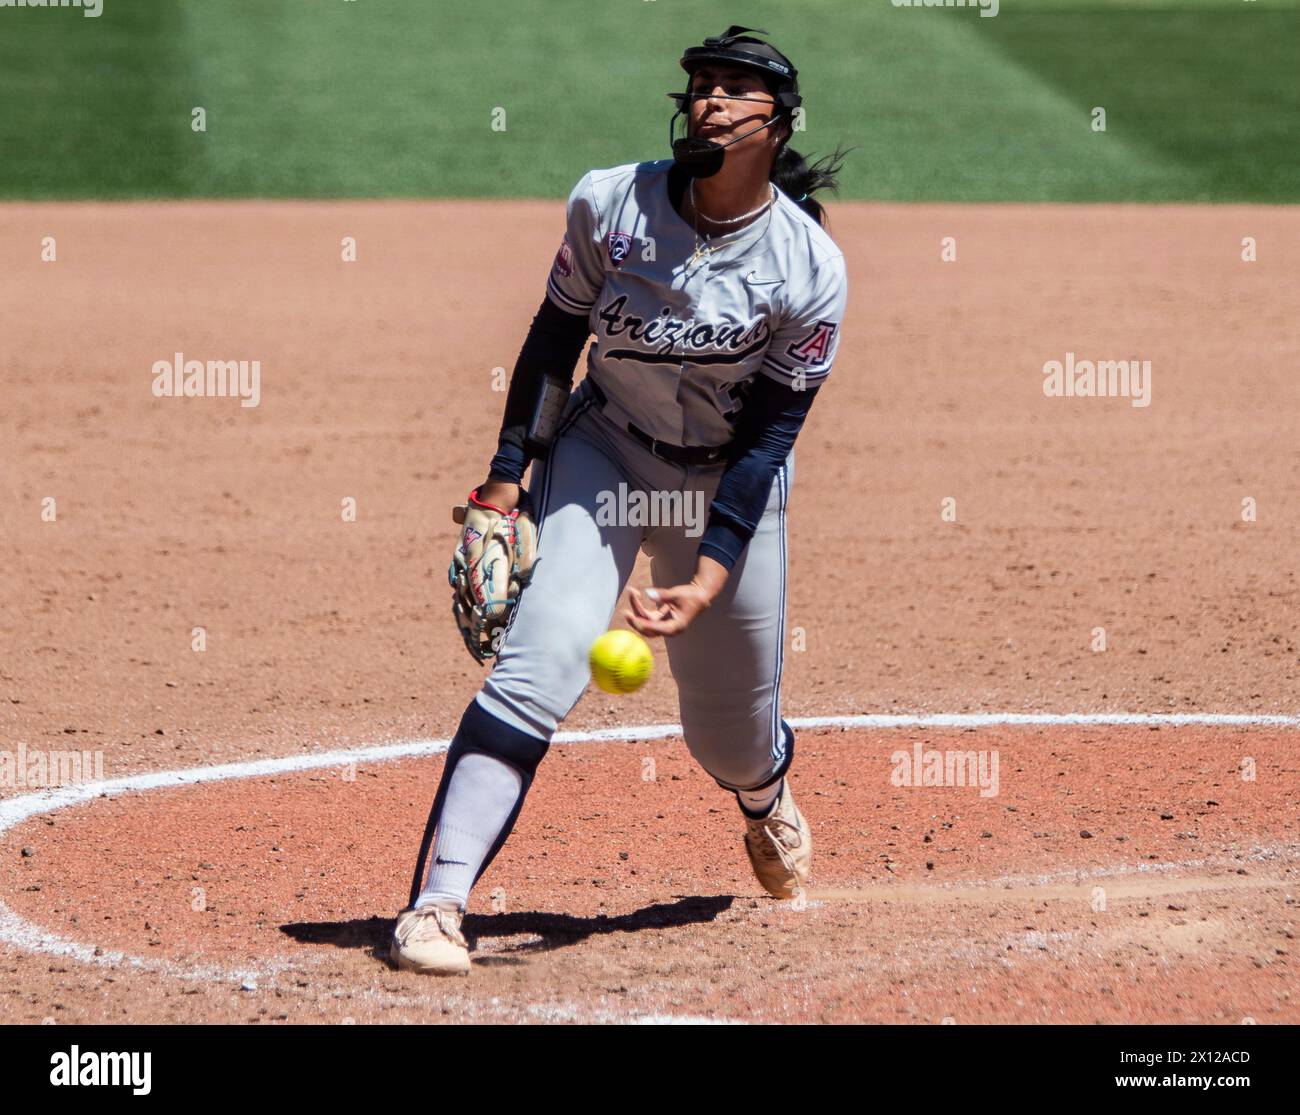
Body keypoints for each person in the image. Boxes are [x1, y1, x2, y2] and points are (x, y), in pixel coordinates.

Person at [391, 25, 849, 975]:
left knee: (725, 734)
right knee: (544, 654)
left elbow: (769, 438)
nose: (711, 102)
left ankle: (764, 797)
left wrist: (710, 575)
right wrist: (505, 483)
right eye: (701, 87)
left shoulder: (810, 268)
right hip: (607, 450)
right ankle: (436, 906)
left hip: (726, 478)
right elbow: (553, 344)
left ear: (778, 122)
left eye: (734, 90)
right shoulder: (613, 205)